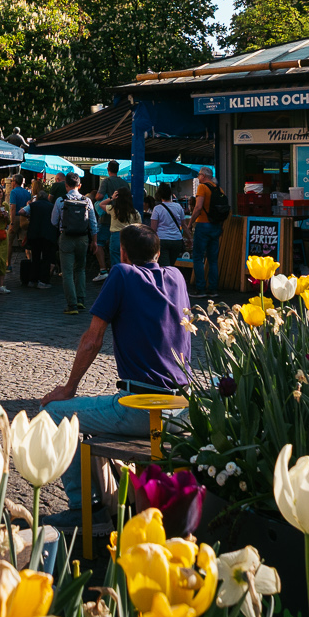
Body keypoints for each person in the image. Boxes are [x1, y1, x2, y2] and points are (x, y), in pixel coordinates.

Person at [40, 224, 192, 508]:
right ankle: (117, 497)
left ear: (122, 253)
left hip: (142, 409)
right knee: (92, 420)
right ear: (158, 253)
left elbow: (92, 341)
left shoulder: (122, 273)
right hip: (182, 409)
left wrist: (69, 388)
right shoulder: (177, 276)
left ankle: (85, 507)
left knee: (53, 414)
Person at [52, 174, 98, 316]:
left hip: (66, 237)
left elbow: (53, 221)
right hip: (83, 238)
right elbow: (93, 223)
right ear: (80, 185)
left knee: (67, 272)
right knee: (80, 269)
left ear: (66, 185)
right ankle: (80, 299)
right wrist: (94, 241)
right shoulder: (87, 201)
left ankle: (71, 304)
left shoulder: (61, 200)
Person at [189, 166, 227, 292]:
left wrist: (190, 222)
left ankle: (200, 288)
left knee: (198, 257)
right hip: (215, 226)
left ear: (203, 176)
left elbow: (198, 207)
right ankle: (213, 289)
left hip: (203, 225)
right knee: (213, 260)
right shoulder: (219, 189)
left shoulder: (202, 187)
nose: (198, 177)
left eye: (199, 175)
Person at [22, 183, 58, 290]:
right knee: (46, 258)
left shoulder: (33, 205)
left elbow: (21, 211)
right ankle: (43, 281)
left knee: (35, 257)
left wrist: (29, 216)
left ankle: (33, 280)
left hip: (34, 235)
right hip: (48, 235)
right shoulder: (52, 206)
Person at [148, 182, 188, 271]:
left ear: (159, 195)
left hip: (162, 240)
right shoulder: (178, 207)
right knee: (171, 266)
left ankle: (167, 283)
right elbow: (184, 225)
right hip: (177, 240)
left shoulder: (157, 209)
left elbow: (153, 229)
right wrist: (189, 238)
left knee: (165, 267)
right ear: (170, 194)